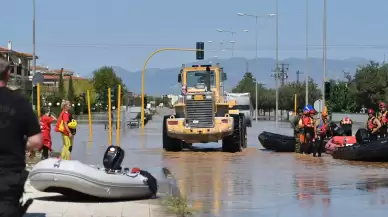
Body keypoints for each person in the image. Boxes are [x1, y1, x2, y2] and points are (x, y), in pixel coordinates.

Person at [0, 58, 42, 216]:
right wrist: (20, 143)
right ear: (8, 74)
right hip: (10, 176)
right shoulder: (19, 102)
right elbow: (37, 141)